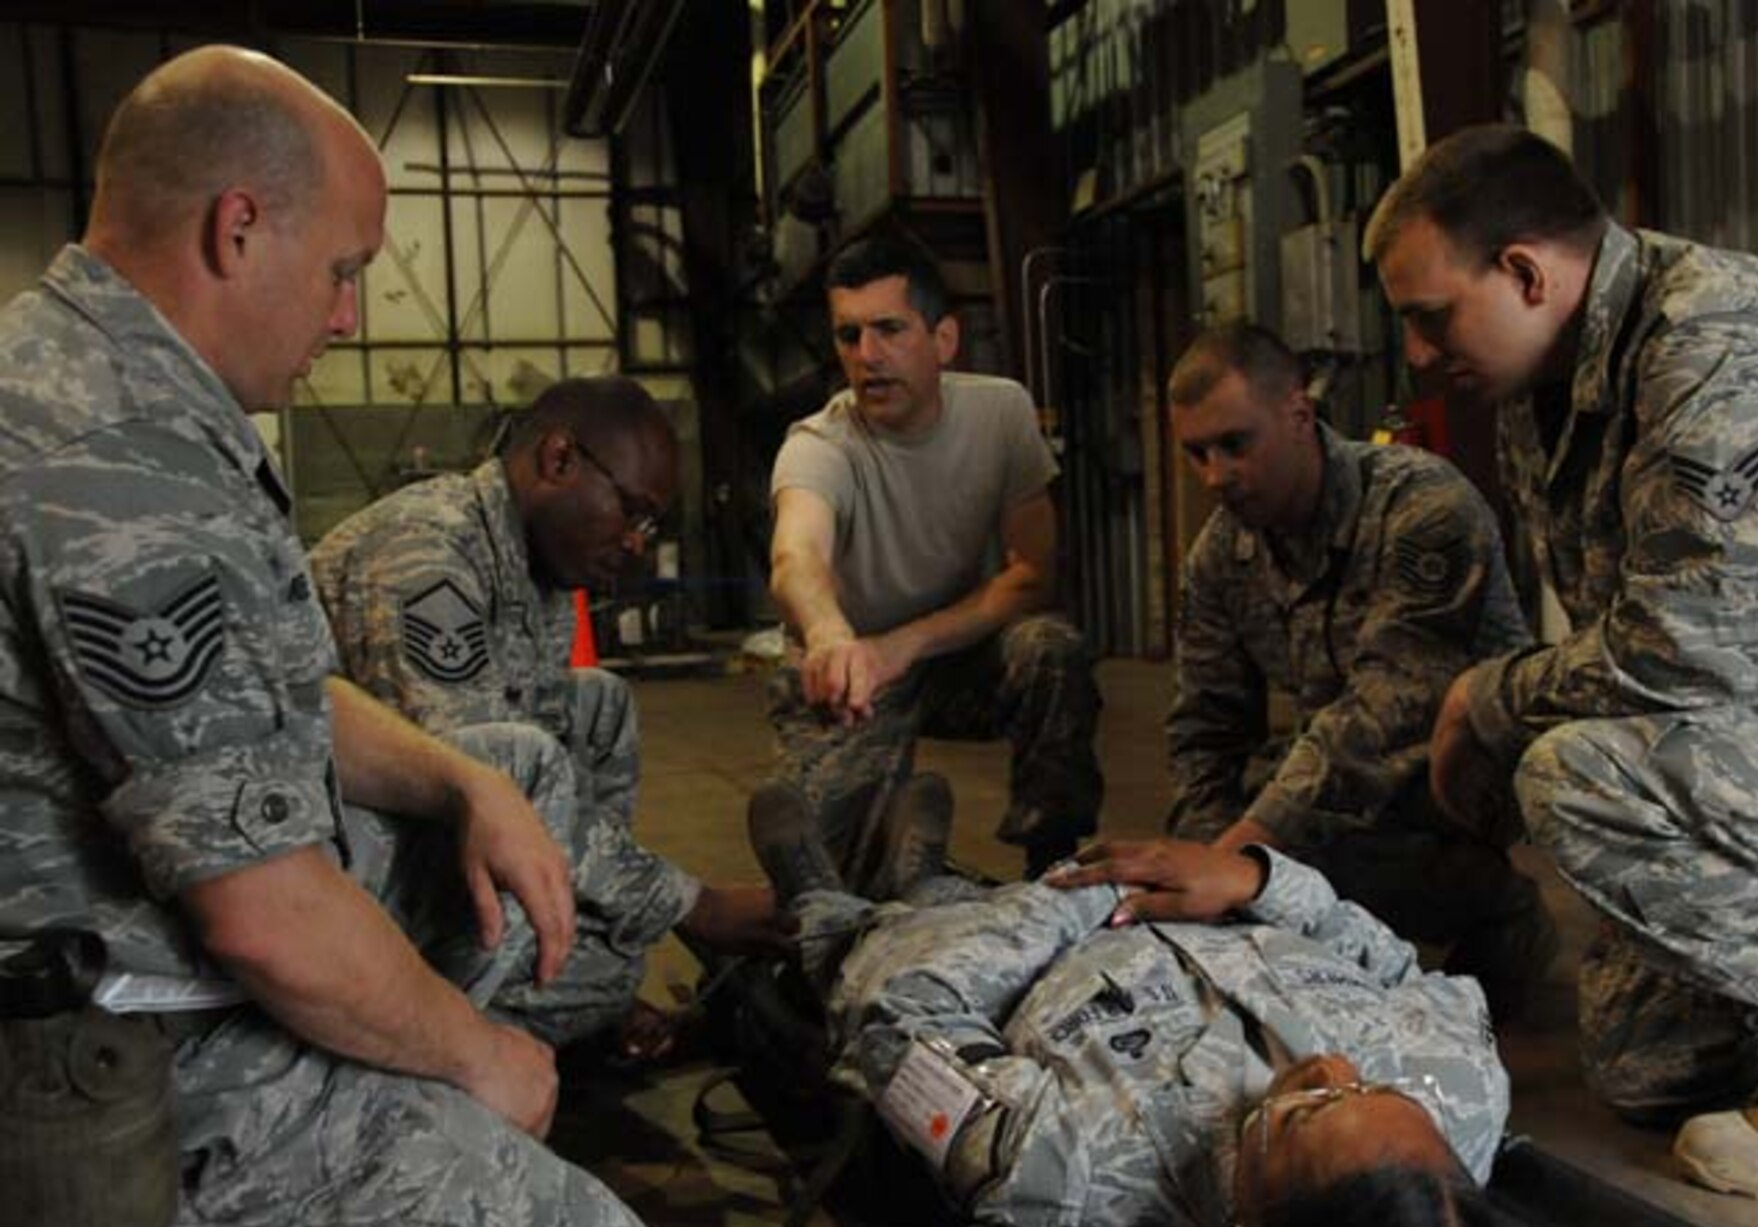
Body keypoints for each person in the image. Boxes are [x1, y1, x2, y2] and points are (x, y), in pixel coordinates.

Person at [0, 45, 672, 1227]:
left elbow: (285, 687)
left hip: (129, 977)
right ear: (237, 229)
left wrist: (462, 775)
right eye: (344, 272)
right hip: (117, 1054)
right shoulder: (119, 462)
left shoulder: (82, 380)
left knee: (506, 774)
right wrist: (485, 1060)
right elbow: (265, 916)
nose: (350, 314)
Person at [1368, 122, 1758, 1200]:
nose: (1418, 355)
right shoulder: (1549, 388)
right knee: (1652, 1069)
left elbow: (1690, 653)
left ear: (1524, 272)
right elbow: (1621, 632)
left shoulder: (1709, 338)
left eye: (1429, 318)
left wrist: (1485, 696)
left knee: (1573, 775)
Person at [781, 830, 1507, 1227]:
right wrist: (1256, 878)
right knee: (931, 894)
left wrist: (1092, 893)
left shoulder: (1068, 1167)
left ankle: (821, 898)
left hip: (1025, 935)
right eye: (1375, 1088)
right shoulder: (1464, 1087)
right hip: (1203, 894)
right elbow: (1395, 966)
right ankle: (917, 873)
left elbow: (897, 1022)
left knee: (864, 943)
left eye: (1302, 1112)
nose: (1331, 1067)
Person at [311, 375, 791, 1063]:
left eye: (650, 525)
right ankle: (413, 1050)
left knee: (597, 705)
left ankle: (560, 946)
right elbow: (488, 783)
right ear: (559, 460)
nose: (636, 542)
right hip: (327, 877)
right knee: (515, 764)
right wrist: (694, 905)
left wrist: (632, 910)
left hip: (409, 852)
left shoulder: (543, 579)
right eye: (631, 511)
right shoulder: (427, 553)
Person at [1156, 321, 1551, 1019]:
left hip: (1461, 779)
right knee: (1244, 822)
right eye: (1197, 454)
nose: (1215, 476)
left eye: (1235, 444)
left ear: (1299, 415)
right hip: (1344, 773)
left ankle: (1498, 907)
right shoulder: (1221, 554)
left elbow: (1386, 714)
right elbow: (1205, 726)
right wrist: (1208, 859)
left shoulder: (1421, 506)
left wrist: (1244, 862)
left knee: (1307, 840)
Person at [764, 232, 1102, 881]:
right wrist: (833, 636)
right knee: (830, 872)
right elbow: (796, 556)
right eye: (848, 335)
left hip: (952, 658)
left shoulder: (1001, 412)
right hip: (849, 674)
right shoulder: (818, 445)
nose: (867, 356)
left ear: (943, 340)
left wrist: (907, 643)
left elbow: (1033, 574)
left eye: (889, 329)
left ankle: (1055, 867)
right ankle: (892, 857)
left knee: (1049, 650)